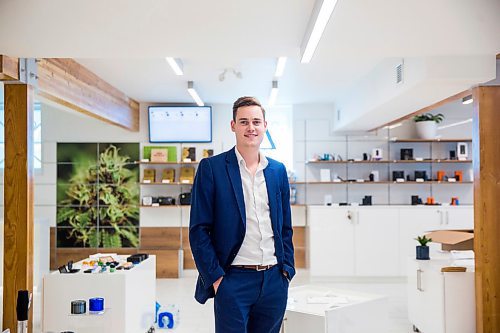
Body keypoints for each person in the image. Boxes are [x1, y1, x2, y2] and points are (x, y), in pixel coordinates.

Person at [189, 96, 295, 333]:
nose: (251, 128)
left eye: (256, 122)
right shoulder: (212, 168)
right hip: (232, 280)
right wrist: (217, 279)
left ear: (265, 126)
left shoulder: (277, 171)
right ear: (233, 125)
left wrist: (286, 270)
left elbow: (285, 227)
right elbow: (199, 230)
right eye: (244, 121)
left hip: (274, 280)